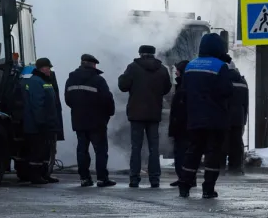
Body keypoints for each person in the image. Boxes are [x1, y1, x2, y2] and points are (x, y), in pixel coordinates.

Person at [178, 34, 234, 199]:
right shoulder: (220, 66)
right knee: (213, 154)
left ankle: (184, 185)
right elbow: (227, 91)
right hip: (215, 118)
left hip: (194, 117)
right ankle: (208, 189)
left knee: (193, 151)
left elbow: (184, 90)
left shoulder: (190, 65)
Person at [118, 45, 172, 188]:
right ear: (154, 54)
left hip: (136, 114)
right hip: (154, 114)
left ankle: (134, 179)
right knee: (154, 148)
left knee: (136, 147)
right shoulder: (162, 70)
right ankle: (155, 179)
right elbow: (167, 88)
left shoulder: (133, 67)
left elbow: (123, 86)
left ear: (140, 53)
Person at [65, 54, 116, 188]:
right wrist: (109, 114)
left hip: (78, 120)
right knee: (100, 151)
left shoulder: (71, 79)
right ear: (93, 65)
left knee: (82, 150)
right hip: (97, 121)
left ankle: (84, 178)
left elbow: (68, 99)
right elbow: (107, 99)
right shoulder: (98, 80)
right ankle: (102, 179)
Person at [22, 57, 60, 185]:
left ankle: (44, 174)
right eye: (48, 68)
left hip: (46, 123)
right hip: (36, 125)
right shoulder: (35, 82)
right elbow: (37, 104)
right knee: (37, 151)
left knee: (45, 150)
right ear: (41, 68)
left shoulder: (44, 81)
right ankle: (35, 176)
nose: (49, 70)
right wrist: (41, 122)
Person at [225, 58, 248, 175]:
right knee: (237, 143)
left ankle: (219, 167)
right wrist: (244, 120)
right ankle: (236, 167)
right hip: (238, 117)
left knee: (222, 142)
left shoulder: (223, 80)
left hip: (224, 116)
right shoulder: (242, 82)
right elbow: (246, 103)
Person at [168, 60, 189, 187]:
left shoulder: (183, 87)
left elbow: (180, 110)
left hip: (182, 126)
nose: (175, 72)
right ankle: (184, 177)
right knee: (182, 152)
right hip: (183, 125)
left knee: (181, 152)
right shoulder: (183, 84)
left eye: (177, 70)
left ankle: (184, 178)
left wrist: (175, 125)